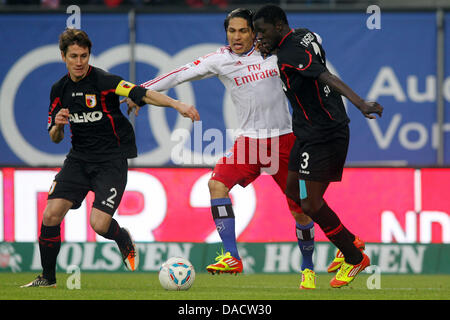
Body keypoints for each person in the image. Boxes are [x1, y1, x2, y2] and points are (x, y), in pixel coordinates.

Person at [126, 8, 317, 289]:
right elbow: (179, 75)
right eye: (232, 31)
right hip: (249, 142)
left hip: (284, 141)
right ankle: (231, 255)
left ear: (254, 33)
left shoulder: (274, 54)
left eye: (243, 31)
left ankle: (308, 268)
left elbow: (311, 69)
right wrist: (139, 92)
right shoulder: (220, 59)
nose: (237, 37)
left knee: (301, 211)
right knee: (216, 184)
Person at [21, 28, 199, 288]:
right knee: (50, 215)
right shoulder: (58, 90)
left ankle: (121, 238)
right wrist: (58, 125)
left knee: (99, 224)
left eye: (84, 56)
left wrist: (177, 105)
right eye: (73, 56)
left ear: (89, 55)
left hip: (111, 161)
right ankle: (47, 278)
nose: (79, 62)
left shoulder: (104, 81)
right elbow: (54, 137)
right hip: (78, 160)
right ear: (63, 57)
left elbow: (141, 93)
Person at [253, 5, 383, 288]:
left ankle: (353, 257)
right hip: (307, 134)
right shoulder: (303, 36)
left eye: (262, 32)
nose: (258, 38)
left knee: (310, 203)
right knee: (293, 191)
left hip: (325, 134)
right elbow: (310, 58)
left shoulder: (290, 53)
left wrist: (360, 103)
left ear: (278, 26)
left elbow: (326, 76)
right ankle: (348, 240)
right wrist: (272, 51)